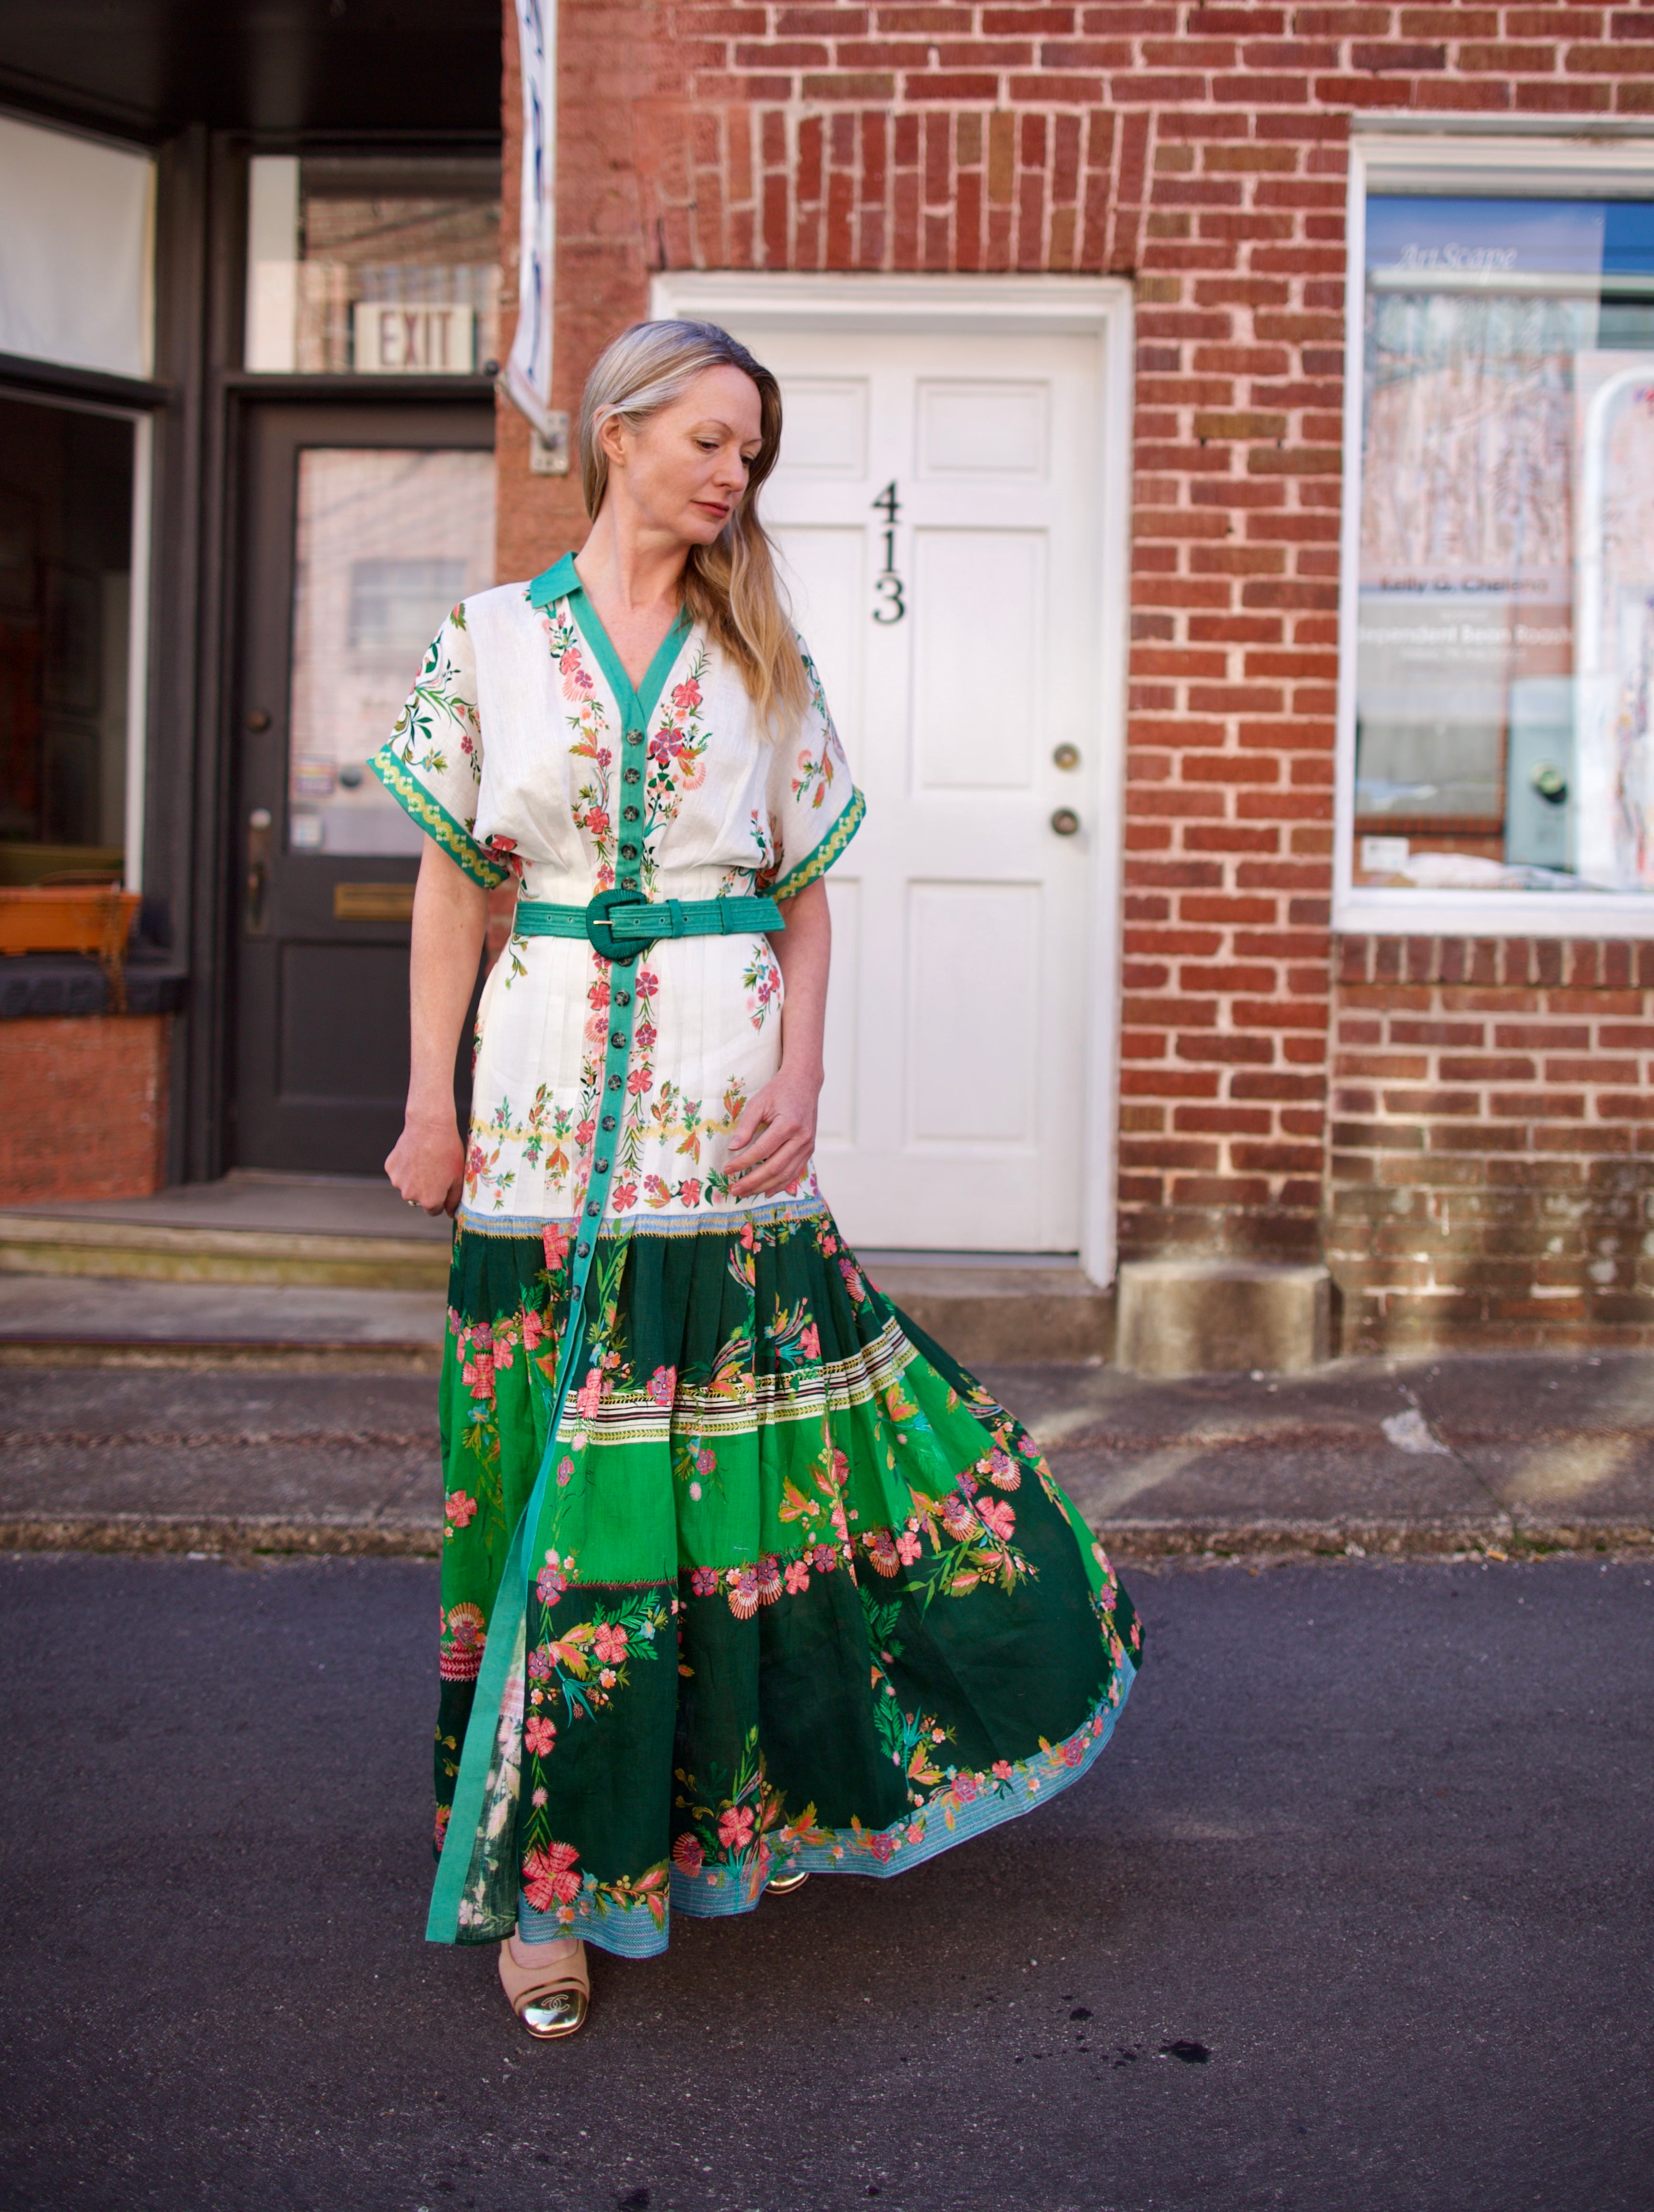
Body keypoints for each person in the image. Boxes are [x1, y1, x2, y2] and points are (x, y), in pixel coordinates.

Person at [376, 318, 1140, 2040]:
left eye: (754, 454)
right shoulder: (492, 642)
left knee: (739, 1485)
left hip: (722, 1118)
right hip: (543, 1106)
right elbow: (447, 887)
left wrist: (805, 1069)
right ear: (621, 431)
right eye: (713, 439)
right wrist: (430, 1100)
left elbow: (806, 883)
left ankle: (721, 1814)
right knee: (546, 1503)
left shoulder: (762, 651)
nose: (734, 475)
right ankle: (545, 1890)